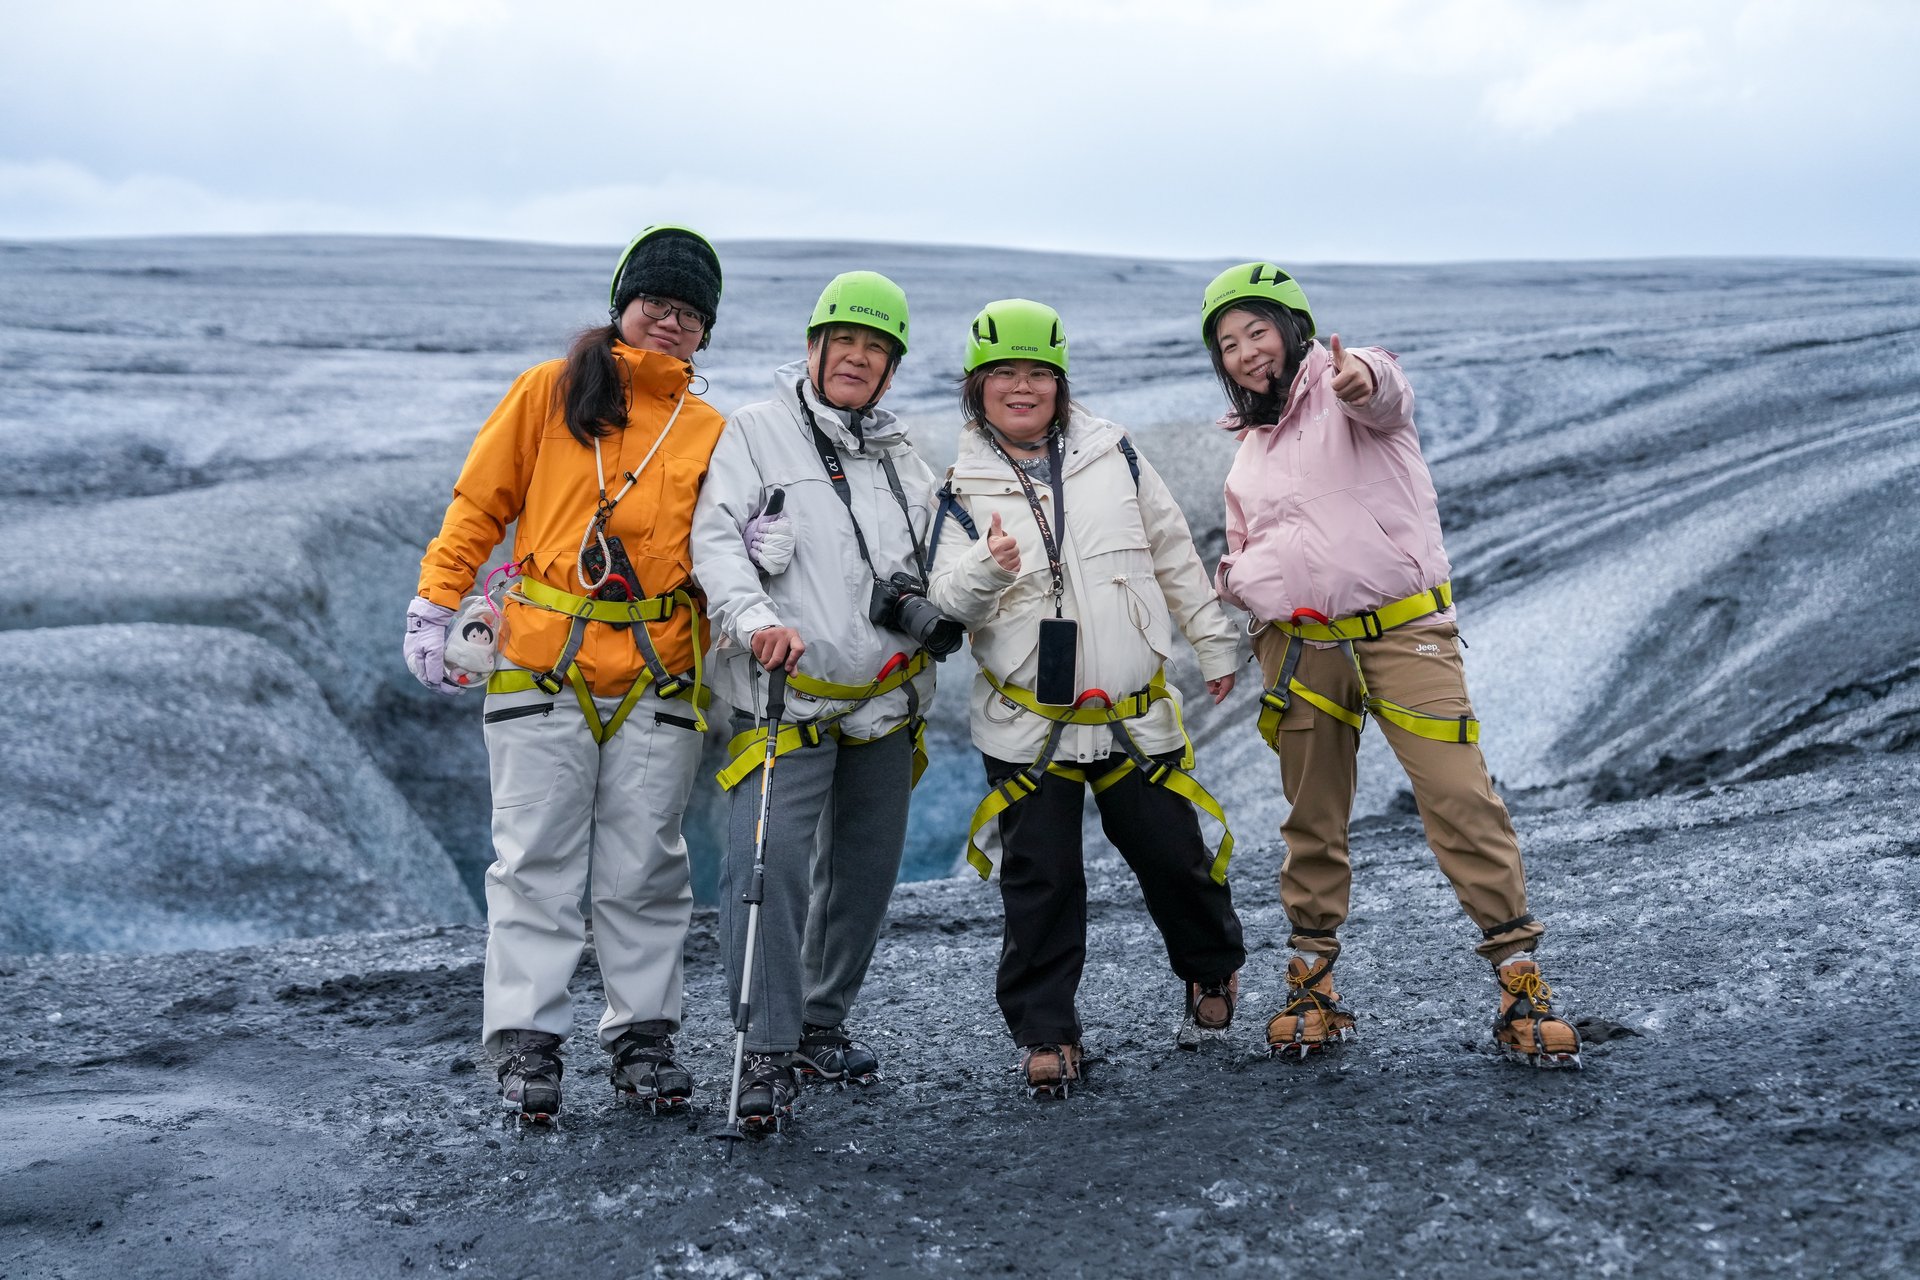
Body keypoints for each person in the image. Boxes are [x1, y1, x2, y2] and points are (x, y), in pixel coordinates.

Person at [1201, 262, 1581, 1068]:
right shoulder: (1250, 451)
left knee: (1457, 795)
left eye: (1257, 331)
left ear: (1295, 330)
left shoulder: (1352, 389)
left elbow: (1388, 391)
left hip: (1402, 632)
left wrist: (1359, 375)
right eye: (1228, 343)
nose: (1245, 353)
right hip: (1302, 645)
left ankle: (1520, 979)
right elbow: (1248, 544)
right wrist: (1239, 585)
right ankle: (1313, 981)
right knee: (1313, 816)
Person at [404, 225, 729, 1118]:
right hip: (543, 669)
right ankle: (527, 1046)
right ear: (622, 305)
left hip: (660, 678)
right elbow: (480, 504)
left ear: (707, 332)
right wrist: (437, 601)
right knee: (535, 864)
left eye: (690, 314)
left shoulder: (708, 430)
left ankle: (642, 1039)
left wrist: (756, 552)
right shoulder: (549, 393)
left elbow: (725, 549)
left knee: (647, 869)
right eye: (657, 304)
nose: (670, 323)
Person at [925, 299, 1247, 1099]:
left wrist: (1212, 642)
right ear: (978, 387)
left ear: (1061, 384)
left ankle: (1212, 972)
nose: (1022, 387)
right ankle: (1046, 1031)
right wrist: (986, 569)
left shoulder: (1118, 455)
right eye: (1005, 374)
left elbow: (1174, 553)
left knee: (1176, 859)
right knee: (1042, 879)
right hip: (1028, 726)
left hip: (1135, 712)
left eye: (1038, 373)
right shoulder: (956, 486)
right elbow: (944, 601)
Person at [690, 271, 942, 1132]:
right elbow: (715, 539)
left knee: (864, 876)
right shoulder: (755, 434)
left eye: (876, 348)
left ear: (890, 367)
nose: (859, 359)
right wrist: (753, 614)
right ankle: (762, 1047)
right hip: (784, 699)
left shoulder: (904, 458)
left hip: (884, 701)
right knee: (769, 872)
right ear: (814, 347)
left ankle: (819, 1024)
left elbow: (937, 562)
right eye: (847, 342)